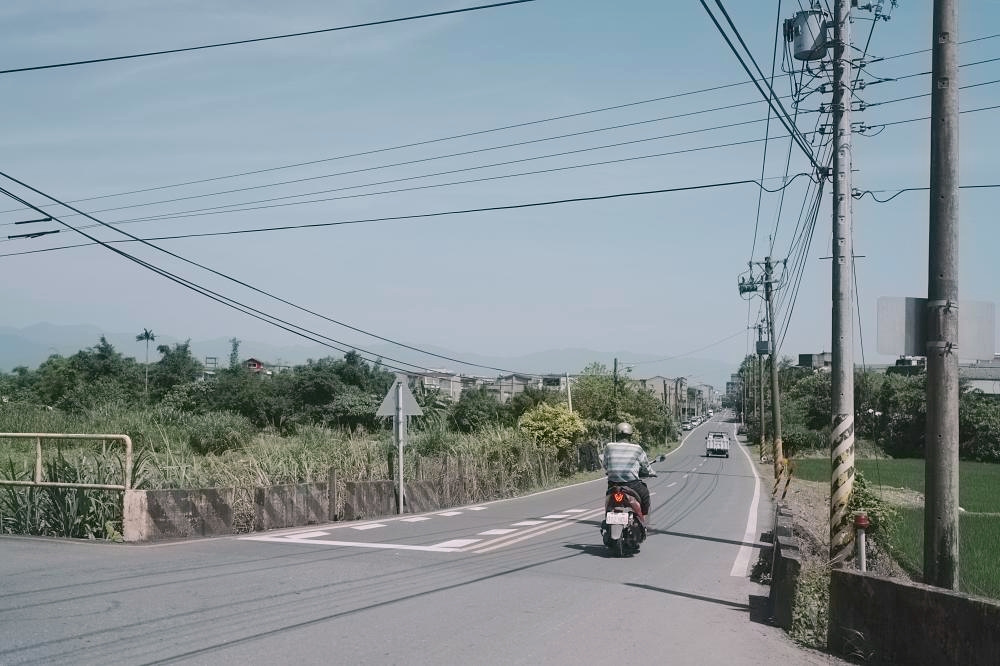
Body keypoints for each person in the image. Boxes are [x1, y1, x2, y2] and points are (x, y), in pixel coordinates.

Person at [602, 422, 655, 523]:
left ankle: (607, 516)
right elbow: (646, 466)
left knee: (608, 499)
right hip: (631, 484)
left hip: (613, 484)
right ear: (630, 436)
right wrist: (651, 472)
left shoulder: (609, 446)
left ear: (616, 435)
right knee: (645, 495)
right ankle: (643, 519)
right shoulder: (637, 448)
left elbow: (605, 464)